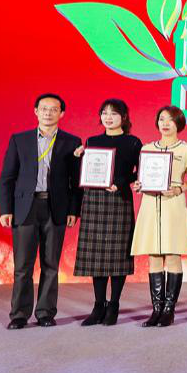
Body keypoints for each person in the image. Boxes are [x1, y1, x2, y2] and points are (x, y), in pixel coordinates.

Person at [0, 93, 81, 329]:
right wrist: (6, 209)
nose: (48, 113)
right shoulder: (19, 140)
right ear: (35, 111)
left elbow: (76, 181)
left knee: (51, 264)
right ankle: (19, 314)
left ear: (62, 113)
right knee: (22, 266)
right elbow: (7, 177)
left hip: (56, 208)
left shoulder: (72, 142)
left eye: (54, 109)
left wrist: (74, 210)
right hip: (25, 207)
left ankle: (45, 312)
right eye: (44, 108)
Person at [72, 99, 142, 326]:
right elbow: (85, 171)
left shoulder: (133, 142)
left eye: (113, 113)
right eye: (104, 113)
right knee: (97, 256)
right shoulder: (92, 141)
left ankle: (114, 305)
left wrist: (121, 182)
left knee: (118, 255)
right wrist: (78, 158)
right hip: (94, 199)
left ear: (124, 117)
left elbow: (140, 171)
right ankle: (98, 305)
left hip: (119, 199)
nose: (108, 117)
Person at [130, 106, 187, 327]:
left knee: (172, 254)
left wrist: (179, 189)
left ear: (179, 123)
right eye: (161, 119)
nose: (165, 123)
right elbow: (142, 176)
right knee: (154, 256)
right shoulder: (147, 148)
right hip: (150, 203)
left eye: (170, 119)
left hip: (173, 203)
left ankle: (169, 309)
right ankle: (156, 309)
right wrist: (139, 185)